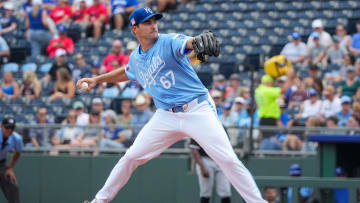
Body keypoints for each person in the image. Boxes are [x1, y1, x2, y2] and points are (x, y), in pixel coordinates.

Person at [78, 7, 266, 203]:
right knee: (131, 157)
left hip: (197, 109)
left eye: (154, 21)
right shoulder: (136, 58)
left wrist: (196, 41)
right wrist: (97, 80)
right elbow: (127, 71)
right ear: (135, 29)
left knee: (227, 159)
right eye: (147, 22)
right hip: (166, 116)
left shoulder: (167, 41)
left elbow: (187, 43)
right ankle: (99, 201)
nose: (153, 25)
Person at [190, 139, 231, 203]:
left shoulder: (221, 128)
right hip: (205, 160)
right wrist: (202, 167)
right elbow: (194, 149)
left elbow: (227, 146)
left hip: (221, 160)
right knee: (205, 192)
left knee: (225, 191)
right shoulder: (198, 129)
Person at [255, 75, 282, 150]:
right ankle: (266, 154)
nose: (272, 85)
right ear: (267, 83)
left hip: (263, 118)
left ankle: (264, 153)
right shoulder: (265, 90)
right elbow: (281, 91)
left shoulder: (258, 90)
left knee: (266, 139)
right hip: (268, 119)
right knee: (268, 140)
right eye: (271, 83)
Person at [0, 117, 23, 203]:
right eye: (7, 127)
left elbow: (18, 152)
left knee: (13, 187)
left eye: (12, 128)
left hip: (1, 164)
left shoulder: (17, 138)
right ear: (1, 127)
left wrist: (10, 168)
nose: (9, 130)